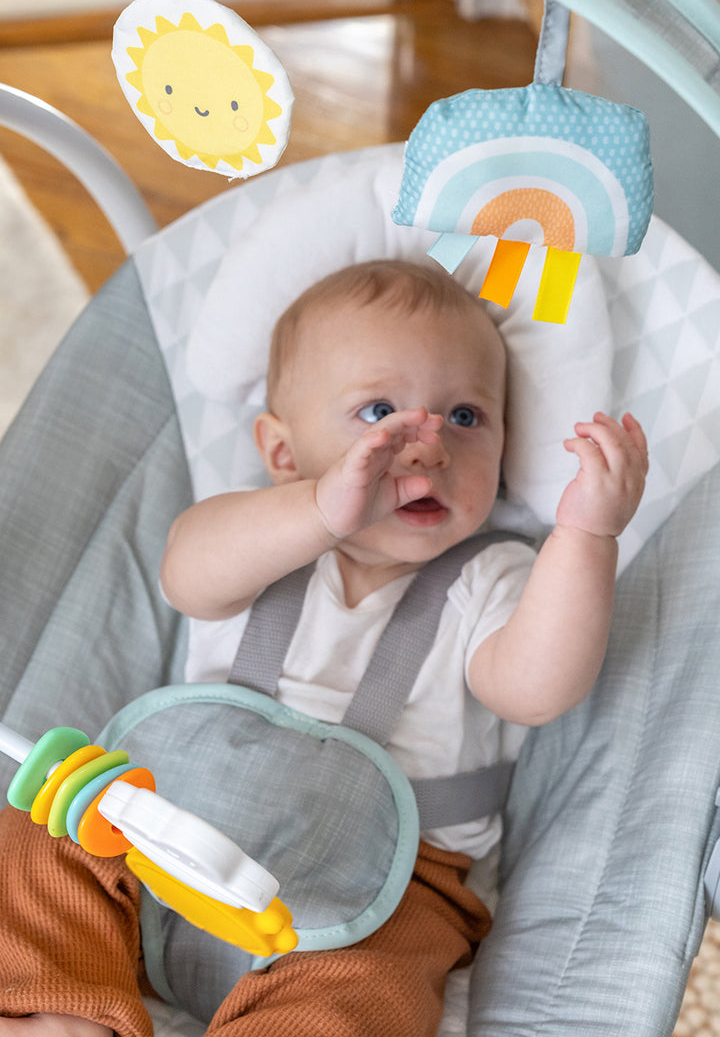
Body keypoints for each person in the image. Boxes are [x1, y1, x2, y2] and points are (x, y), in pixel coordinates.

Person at [0, 259, 648, 1037]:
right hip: (165, 829)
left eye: (465, 416)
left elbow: (535, 690)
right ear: (282, 452)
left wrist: (586, 537)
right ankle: (58, 1015)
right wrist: (317, 511)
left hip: (383, 885)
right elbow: (186, 575)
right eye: (379, 412)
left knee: (374, 992)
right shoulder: (261, 535)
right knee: (42, 838)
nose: (426, 446)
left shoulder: (494, 577)